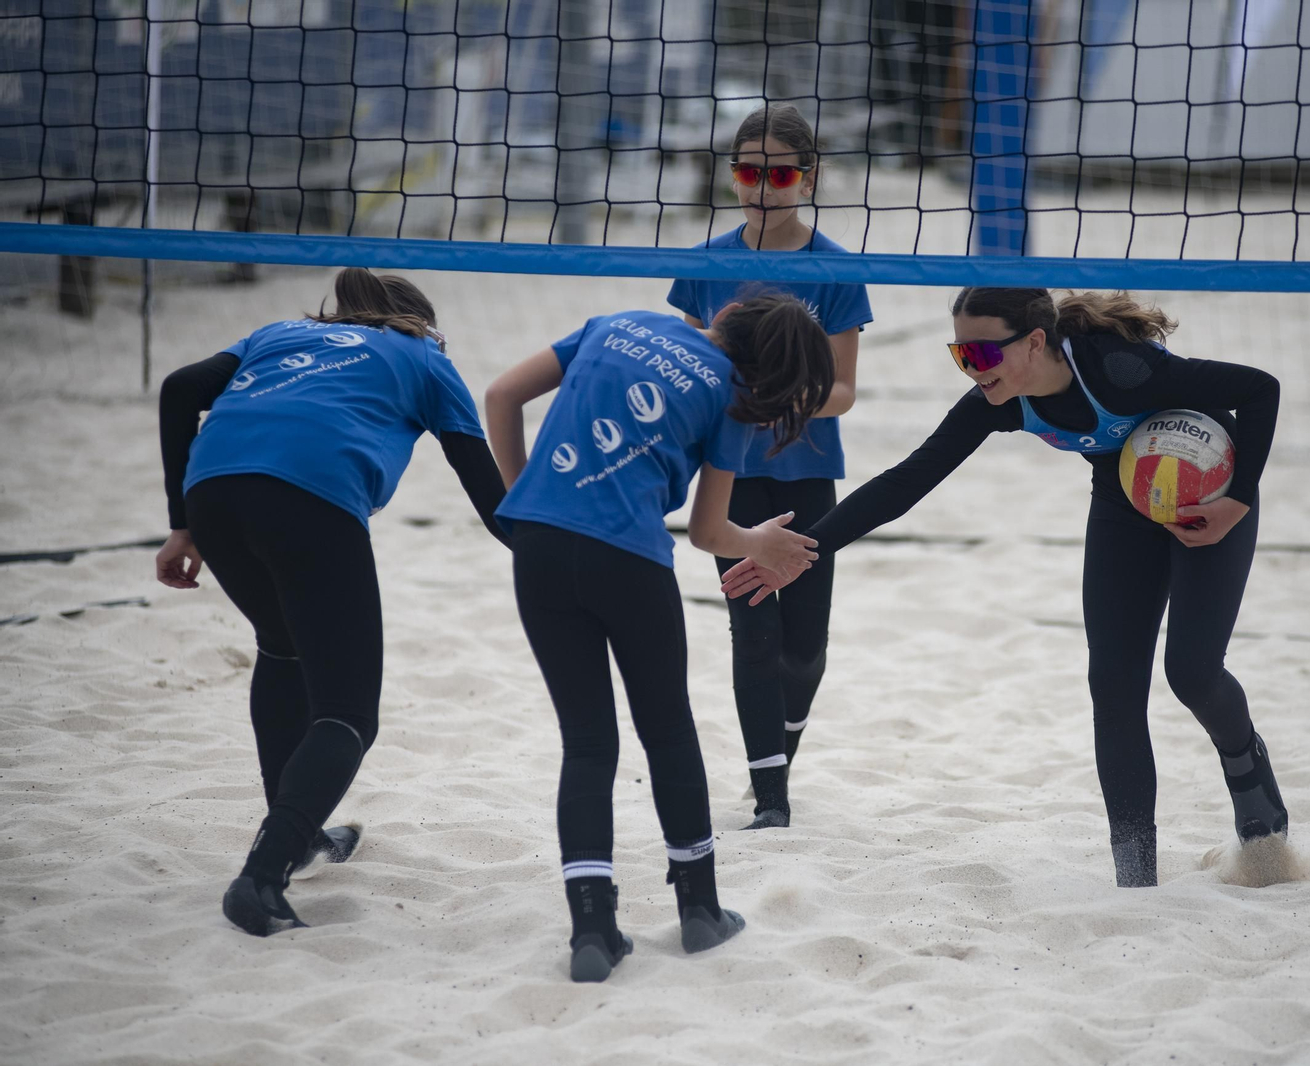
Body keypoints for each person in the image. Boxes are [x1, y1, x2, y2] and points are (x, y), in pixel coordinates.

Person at [721, 288, 1286, 889]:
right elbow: (907, 480)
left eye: (983, 353)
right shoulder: (999, 400)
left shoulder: (1123, 369)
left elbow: (1260, 389)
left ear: (1036, 342)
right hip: (1123, 504)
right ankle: (1136, 879)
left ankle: (1245, 767)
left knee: (1192, 673)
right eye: (961, 354)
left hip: (1211, 495)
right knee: (1113, 686)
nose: (972, 368)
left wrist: (1236, 501)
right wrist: (803, 553)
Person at [486, 295, 834, 981]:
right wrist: (760, 543)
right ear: (771, 375)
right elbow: (708, 533)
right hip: (629, 558)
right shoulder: (733, 395)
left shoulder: (617, 323)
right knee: (668, 730)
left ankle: (592, 930)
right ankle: (699, 911)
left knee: (587, 742)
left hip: (539, 544)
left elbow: (500, 395)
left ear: (732, 312)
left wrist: (524, 498)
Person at [155, 267, 509, 936]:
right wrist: (559, 547)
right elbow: (493, 502)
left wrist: (182, 524)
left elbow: (178, 388)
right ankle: (263, 875)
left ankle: (298, 834)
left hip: (213, 492)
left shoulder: (278, 333)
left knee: (283, 647)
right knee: (348, 713)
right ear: (422, 324)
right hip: (310, 495)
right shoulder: (425, 356)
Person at [667, 104, 873, 831]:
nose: (762, 186)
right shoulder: (706, 263)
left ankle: (780, 757)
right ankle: (770, 798)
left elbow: (842, 391)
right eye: (749, 171)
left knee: (805, 649)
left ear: (807, 180)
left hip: (809, 472)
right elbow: (691, 368)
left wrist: (776, 400)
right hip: (732, 473)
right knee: (753, 636)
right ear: (732, 176)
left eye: (779, 174)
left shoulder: (837, 269)